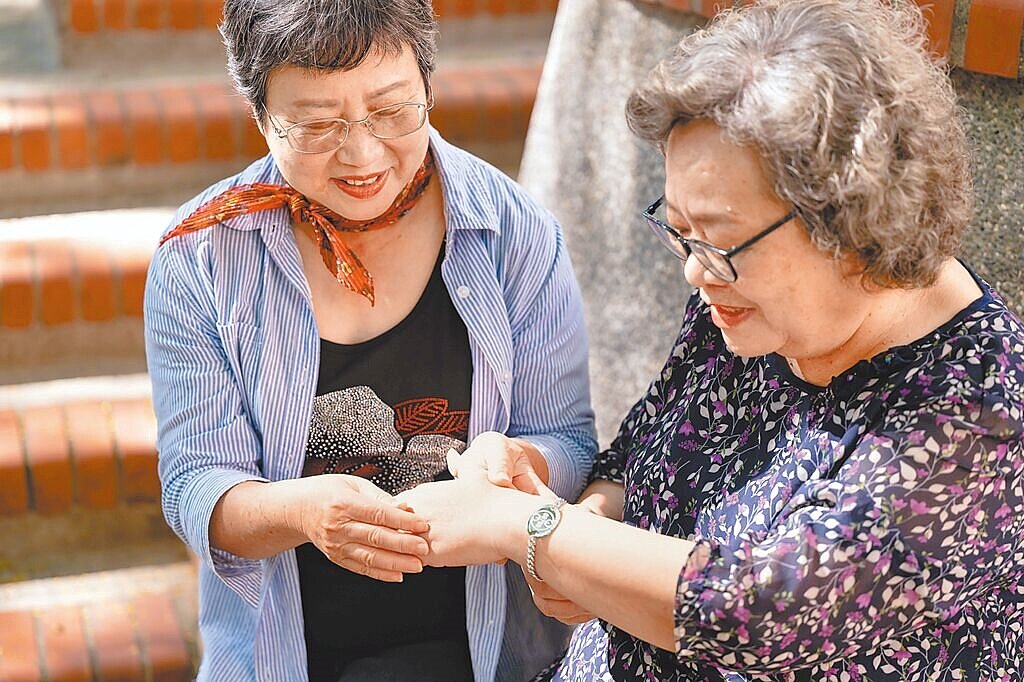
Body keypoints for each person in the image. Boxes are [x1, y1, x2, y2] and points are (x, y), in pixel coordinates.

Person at [396, 0, 1024, 679]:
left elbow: (759, 616)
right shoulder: (752, 302)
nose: (695, 270)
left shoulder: (980, 410)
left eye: (720, 242)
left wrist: (528, 530)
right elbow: (642, 448)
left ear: (850, 218)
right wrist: (568, 521)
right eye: (679, 231)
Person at [143, 0, 596, 680]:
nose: (361, 153)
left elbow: (570, 440)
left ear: (428, 84)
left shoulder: (513, 231)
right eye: (318, 124)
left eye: (391, 111)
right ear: (261, 115)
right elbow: (195, 484)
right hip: (288, 656)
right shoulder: (203, 256)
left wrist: (516, 460)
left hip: (489, 650)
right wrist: (302, 510)